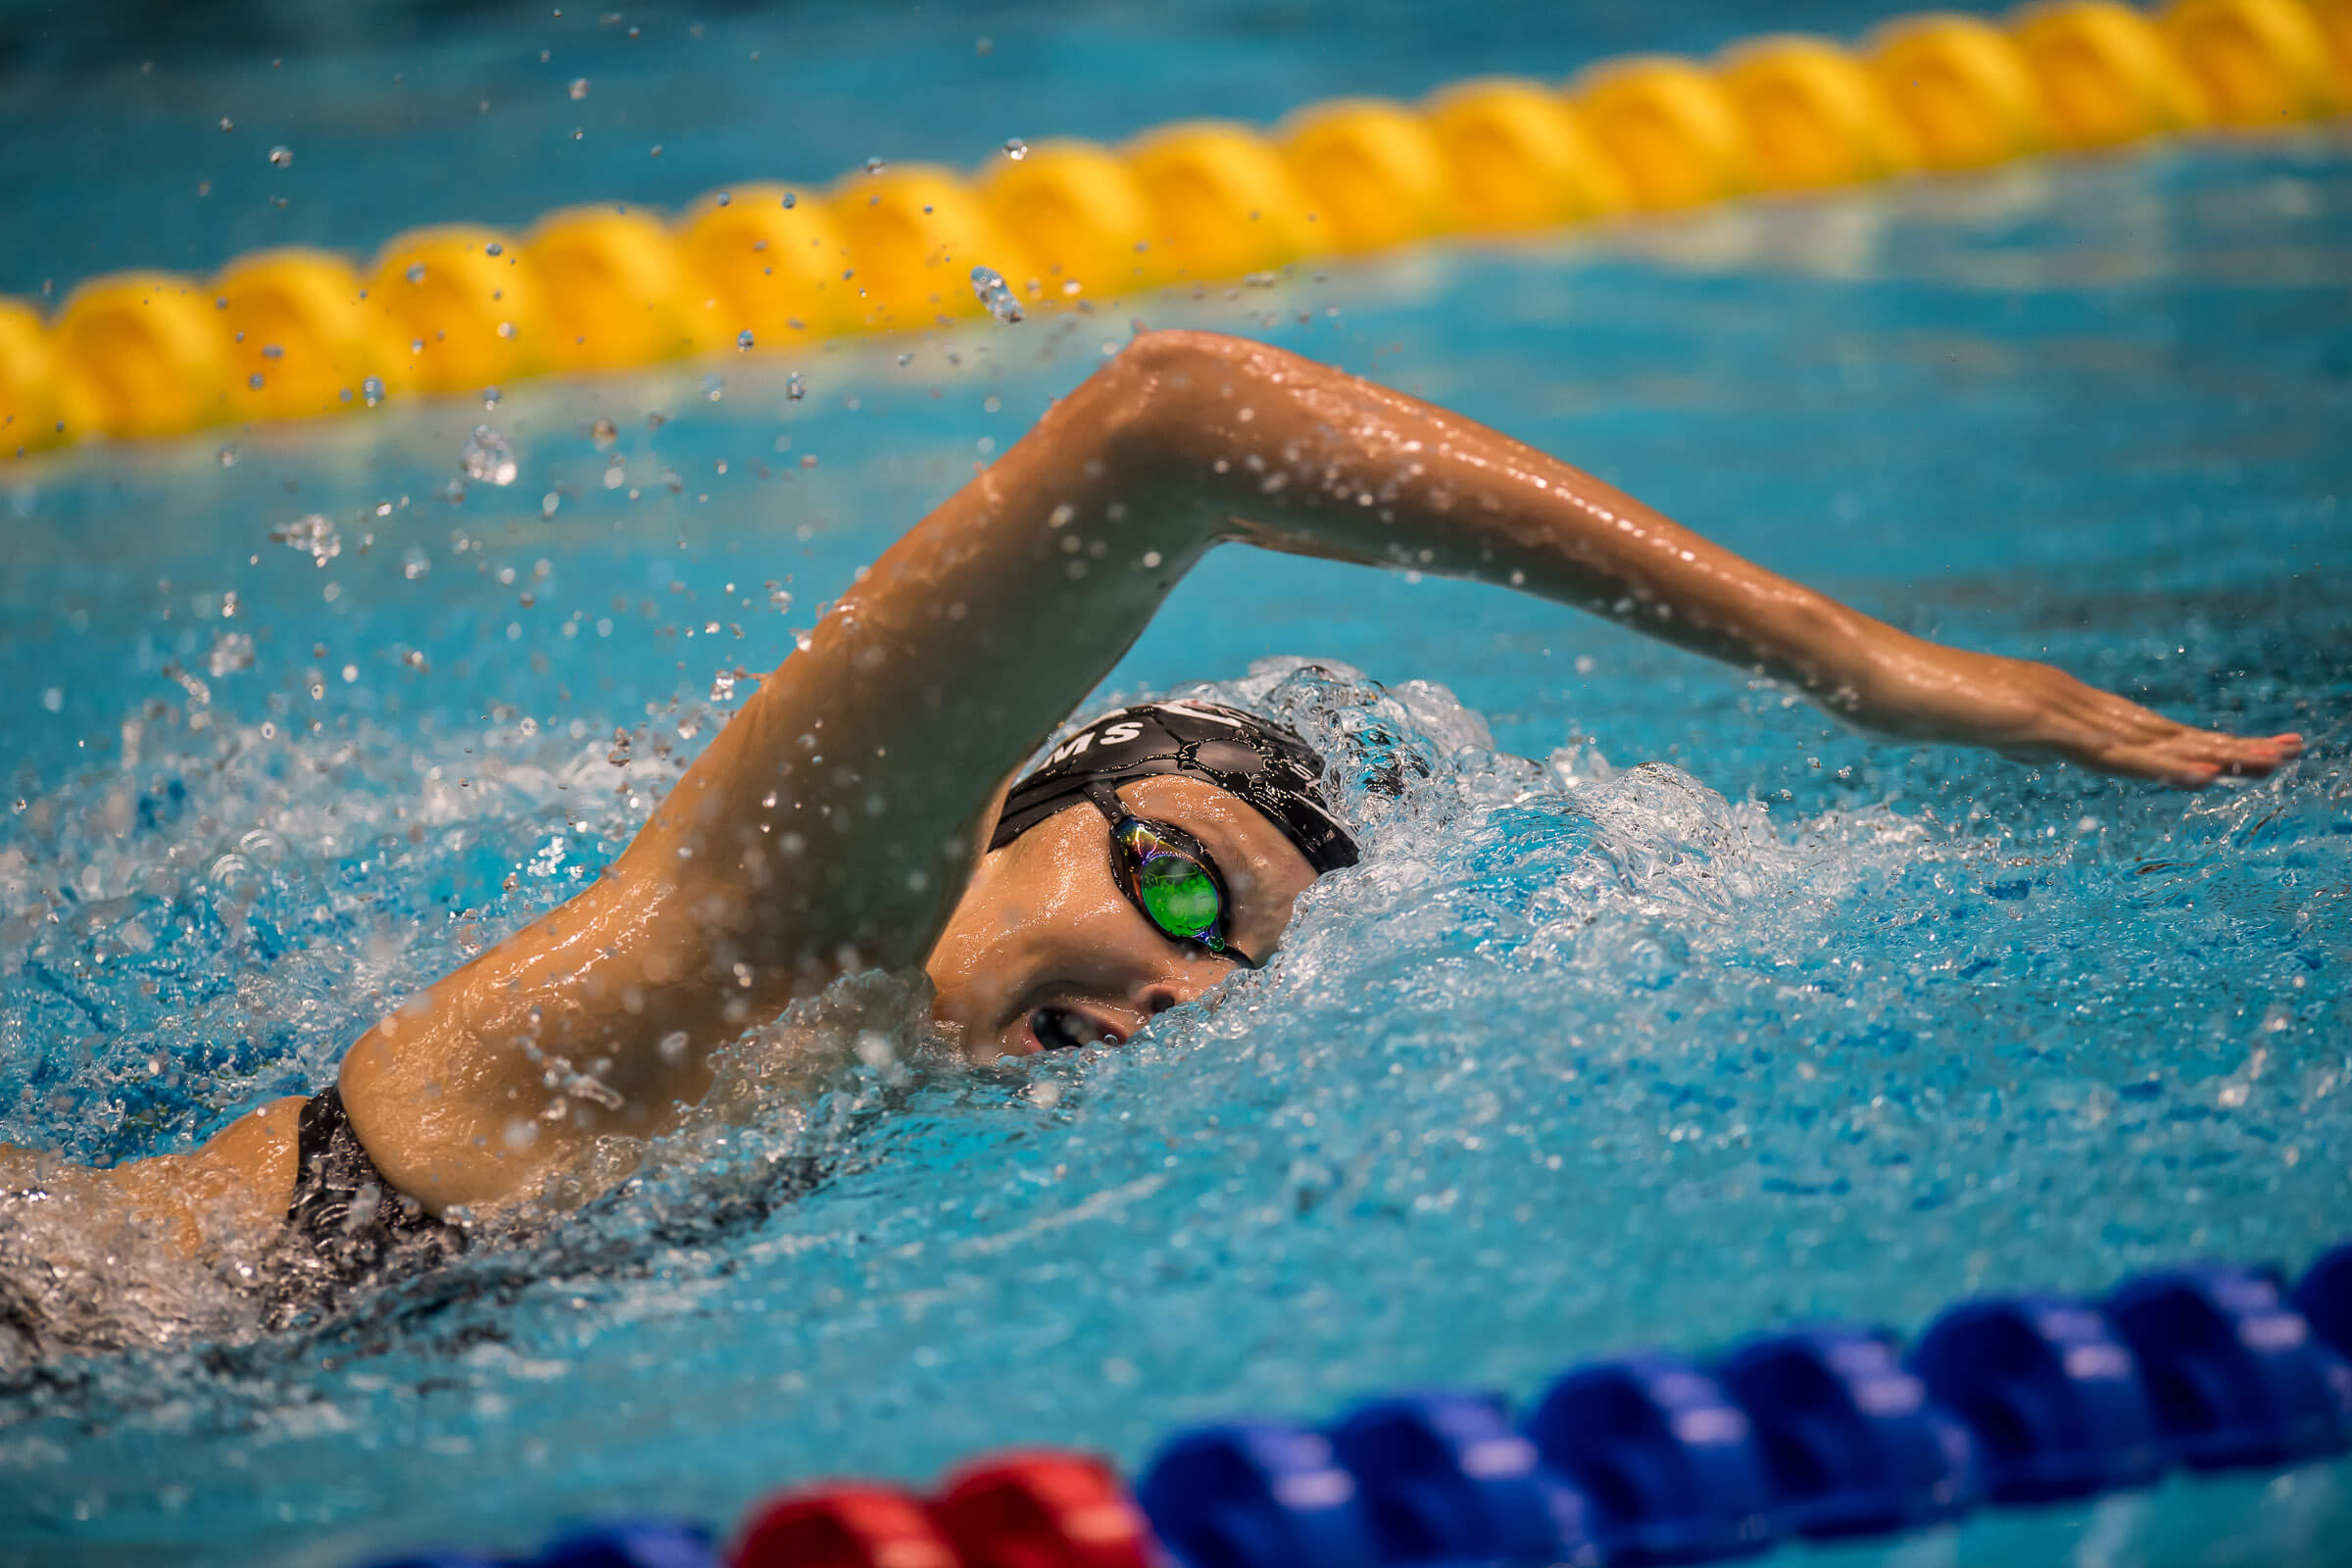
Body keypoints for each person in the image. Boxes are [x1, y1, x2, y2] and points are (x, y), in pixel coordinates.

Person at [0, 328, 2303, 1298]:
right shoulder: (768, 940)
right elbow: (1176, 420)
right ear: (1011, 802)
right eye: (1183, 873)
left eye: (1243, 960)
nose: (1187, 975)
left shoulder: (837, 1093)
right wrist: (1850, 661)